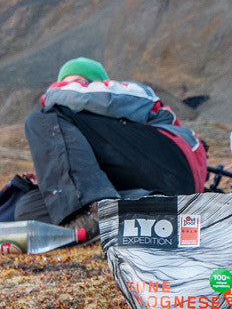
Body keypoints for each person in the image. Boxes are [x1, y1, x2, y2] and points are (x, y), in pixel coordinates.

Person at [16, 57, 207, 237]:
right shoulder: (91, 134)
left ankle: (92, 212)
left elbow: (94, 98)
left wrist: (55, 93)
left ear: (99, 83)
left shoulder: (130, 93)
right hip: (152, 187)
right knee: (28, 208)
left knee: (42, 118)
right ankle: (142, 210)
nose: (68, 88)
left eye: (79, 82)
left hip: (173, 162)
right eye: (65, 84)